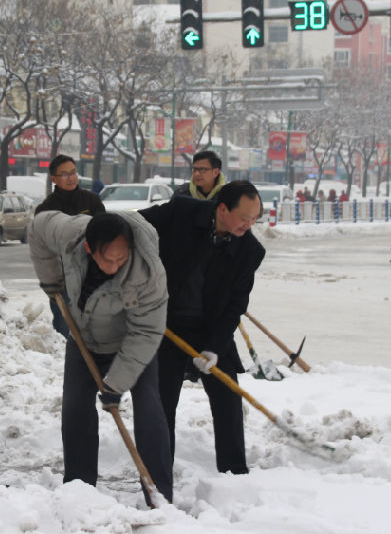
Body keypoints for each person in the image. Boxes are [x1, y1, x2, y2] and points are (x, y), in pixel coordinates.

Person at [28, 210, 173, 504]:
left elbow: (146, 332)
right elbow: (38, 227)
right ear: (88, 249)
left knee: (149, 410)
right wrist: (51, 280)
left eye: (122, 258)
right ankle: (79, 493)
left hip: (131, 343)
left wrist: (115, 384)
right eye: (108, 259)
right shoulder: (71, 235)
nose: (116, 265)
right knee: (74, 410)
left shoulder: (148, 273)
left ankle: (159, 495)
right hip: (84, 340)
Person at [139, 181, 266, 475]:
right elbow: (136, 224)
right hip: (165, 324)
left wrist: (214, 347)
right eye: (244, 218)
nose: (249, 225)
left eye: (255, 219)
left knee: (228, 399)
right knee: (161, 404)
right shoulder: (182, 212)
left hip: (211, 329)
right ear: (222, 209)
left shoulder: (250, 251)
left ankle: (234, 473)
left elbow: (235, 305)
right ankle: (157, 476)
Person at [34, 154, 105, 340]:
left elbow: (104, 234)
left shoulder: (92, 201)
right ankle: (65, 363)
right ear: (54, 179)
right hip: (62, 277)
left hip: (91, 274)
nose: (71, 177)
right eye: (64, 174)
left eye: (73, 172)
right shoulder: (46, 209)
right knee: (64, 325)